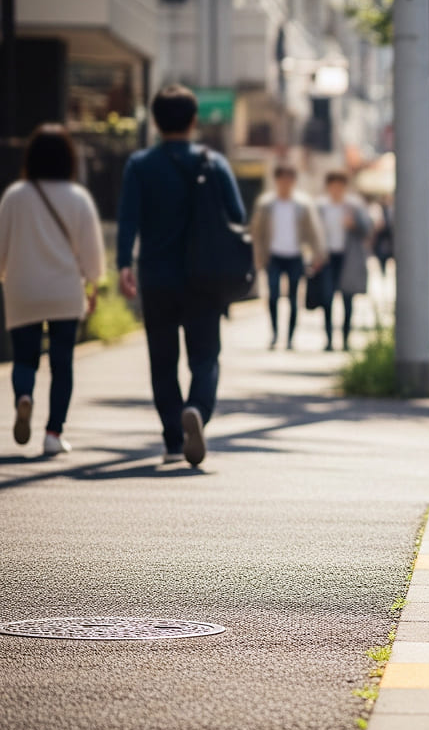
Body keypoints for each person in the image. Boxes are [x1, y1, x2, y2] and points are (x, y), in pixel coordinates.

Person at [117, 85, 246, 466]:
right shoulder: (213, 162)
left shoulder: (140, 165)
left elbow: (128, 220)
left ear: (155, 122)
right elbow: (237, 217)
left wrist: (124, 263)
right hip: (205, 277)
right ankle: (197, 411)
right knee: (205, 357)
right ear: (194, 120)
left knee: (162, 359)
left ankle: (174, 440)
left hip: (156, 276)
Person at [0, 125, 105, 456]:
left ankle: (24, 398)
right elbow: (92, 253)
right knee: (63, 364)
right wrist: (93, 283)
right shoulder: (78, 198)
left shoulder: (15, 196)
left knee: (25, 358)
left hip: (23, 288)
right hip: (63, 290)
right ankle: (53, 434)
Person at [249, 165, 324, 350]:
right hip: (273, 255)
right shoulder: (267, 205)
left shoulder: (302, 205)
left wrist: (317, 254)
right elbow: (257, 232)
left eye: (289, 179)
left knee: (293, 298)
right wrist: (257, 256)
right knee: (273, 295)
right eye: (282, 179)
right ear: (276, 181)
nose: (285, 183)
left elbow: (313, 231)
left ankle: (290, 337)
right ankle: (274, 333)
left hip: (295, 255)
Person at [317, 171, 372, 351]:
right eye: (333, 186)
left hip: (348, 258)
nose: (336, 190)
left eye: (340, 186)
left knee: (348, 299)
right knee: (327, 299)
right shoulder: (321, 207)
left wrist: (353, 224)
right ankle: (329, 339)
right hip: (327, 258)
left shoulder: (354, 207)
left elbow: (368, 229)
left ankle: (346, 338)